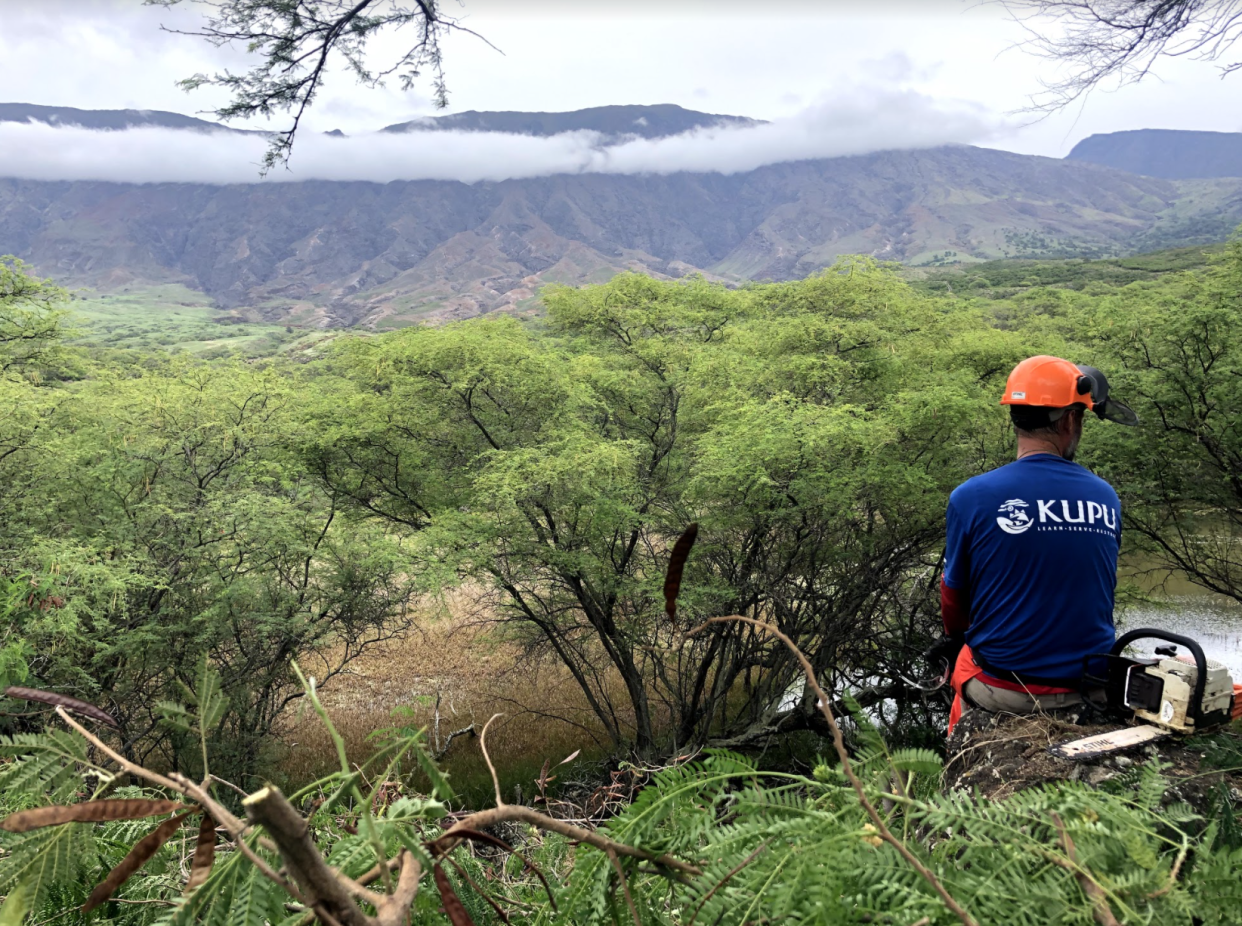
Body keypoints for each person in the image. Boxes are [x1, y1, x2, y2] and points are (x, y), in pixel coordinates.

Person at [935, 355, 1139, 734]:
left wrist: (955, 639)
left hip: (1005, 689)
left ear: (1015, 415)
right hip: (1089, 688)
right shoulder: (1105, 497)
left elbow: (953, 597)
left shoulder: (972, 496)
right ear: (1069, 420)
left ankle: (958, 761)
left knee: (964, 656)